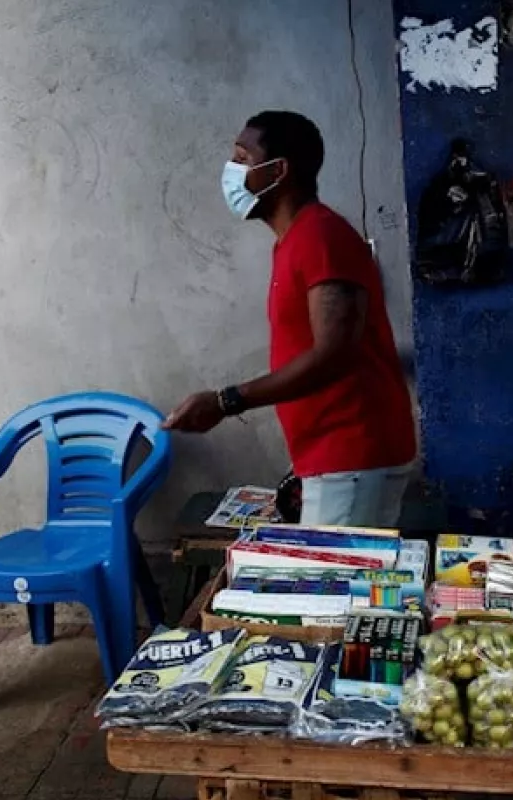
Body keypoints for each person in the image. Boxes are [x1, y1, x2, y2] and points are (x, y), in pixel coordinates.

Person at [163, 110, 416, 528]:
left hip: (349, 453)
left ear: (278, 170)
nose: (231, 173)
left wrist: (226, 401)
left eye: (242, 159)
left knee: (331, 592)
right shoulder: (296, 240)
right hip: (333, 456)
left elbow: (334, 354)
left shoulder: (321, 236)